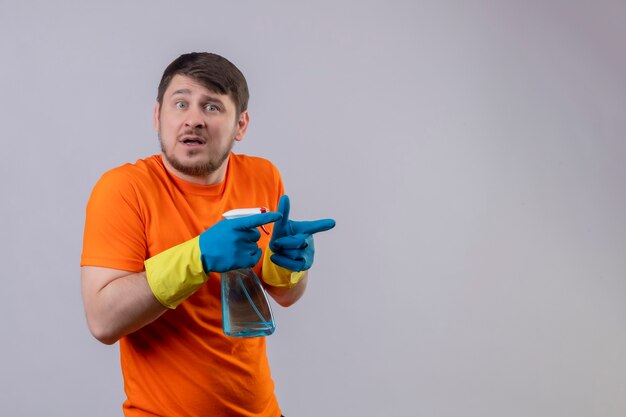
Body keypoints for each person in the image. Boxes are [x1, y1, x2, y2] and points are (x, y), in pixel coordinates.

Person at [80, 52, 336, 417]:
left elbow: (285, 295)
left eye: (212, 107)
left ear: (241, 125)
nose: (194, 120)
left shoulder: (262, 176)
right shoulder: (123, 190)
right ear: (158, 116)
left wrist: (291, 267)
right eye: (180, 103)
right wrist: (197, 256)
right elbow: (103, 320)